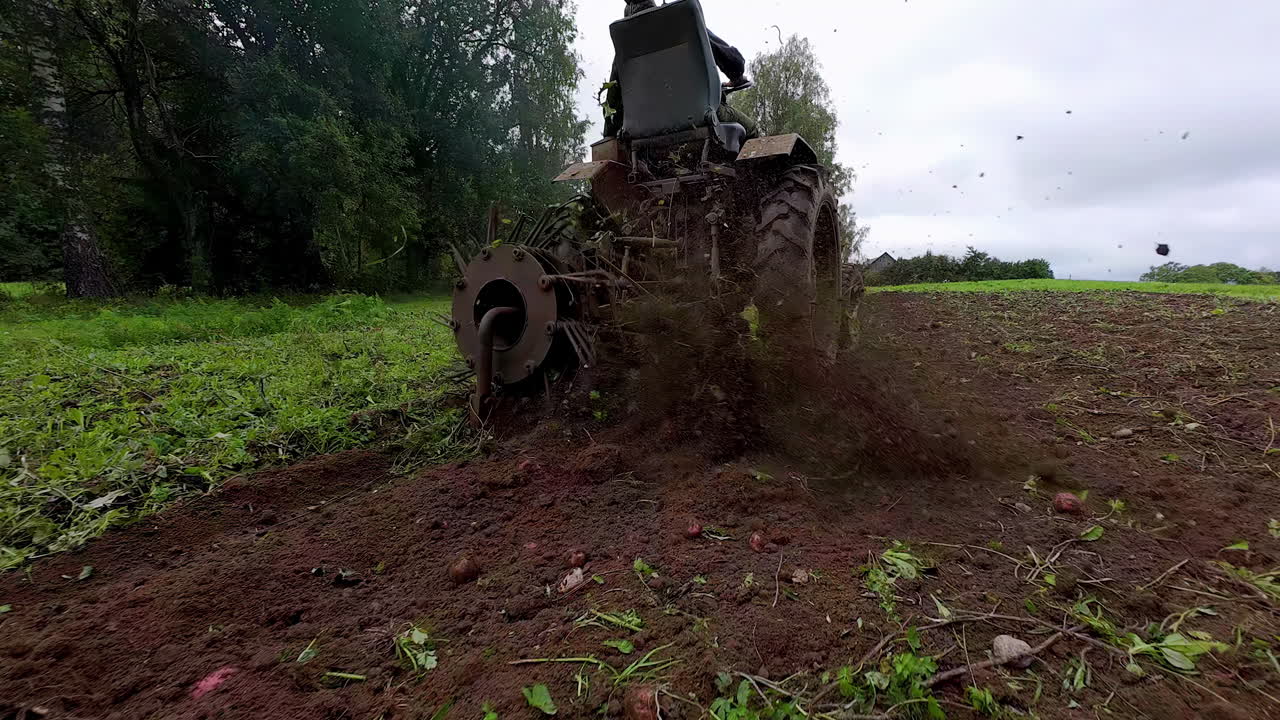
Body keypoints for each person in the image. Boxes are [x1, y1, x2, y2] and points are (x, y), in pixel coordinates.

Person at [603, 0, 759, 139]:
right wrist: (736, 77)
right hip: (701, 117)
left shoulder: (625, 45)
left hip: (645, 133)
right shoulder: (684, 21)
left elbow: (613, 102)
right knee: (751, 130)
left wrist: (610, 134)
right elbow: (735, 63)